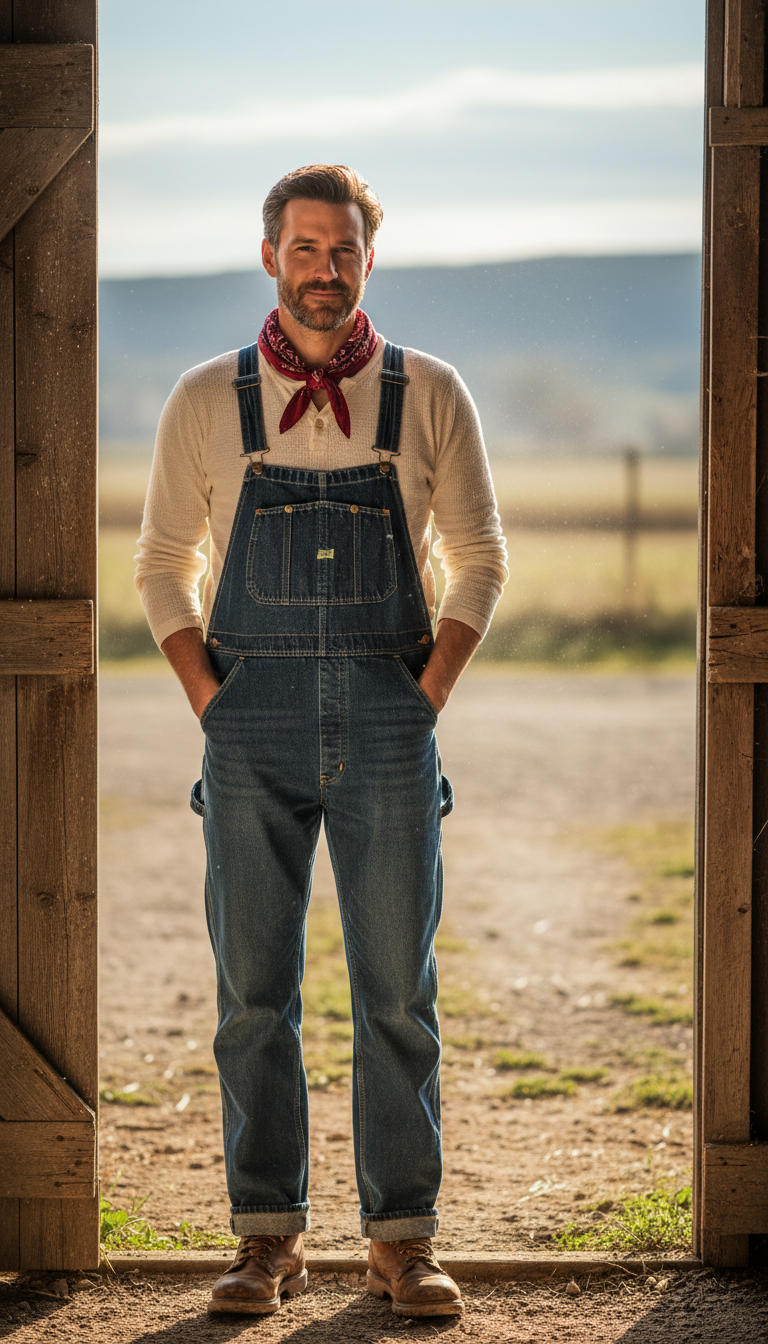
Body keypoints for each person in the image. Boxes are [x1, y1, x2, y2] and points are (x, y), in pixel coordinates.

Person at [136, 164, 508, 1319]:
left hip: (393, 721)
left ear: (367, 258)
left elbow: (482, 558)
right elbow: (161, 567)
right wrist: (215, 701)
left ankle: (402, 1240)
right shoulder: (207, 398)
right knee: (255, 993)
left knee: (398, 991)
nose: (324, 268)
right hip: (248, 725)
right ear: (270, 257)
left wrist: (423, 694)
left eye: (343, 248)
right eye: (304, 247)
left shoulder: (429, 391)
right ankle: (266, 1240)